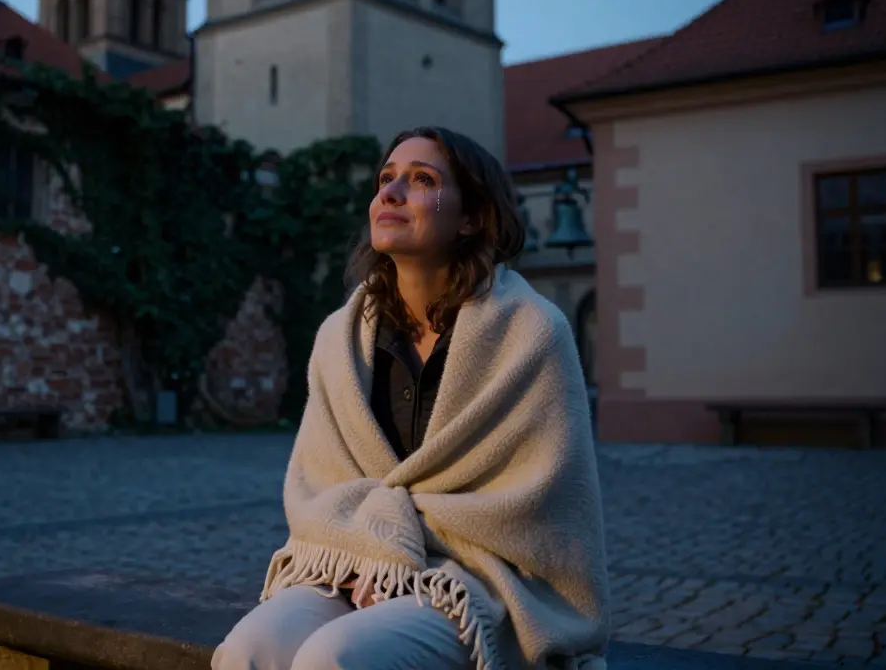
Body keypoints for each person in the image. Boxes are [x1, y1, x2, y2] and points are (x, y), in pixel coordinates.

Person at [213, 127, 610, 670]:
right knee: (244, 652)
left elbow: (540, 507)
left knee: (334, 659)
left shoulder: (532, 333)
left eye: (421, 179)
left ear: (470, 218)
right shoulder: (340, 337)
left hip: (480, 578)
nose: (391, 193)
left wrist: (404, 561)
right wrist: (374, 556)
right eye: (386, 179)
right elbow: (319, 482)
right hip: (353, 561)